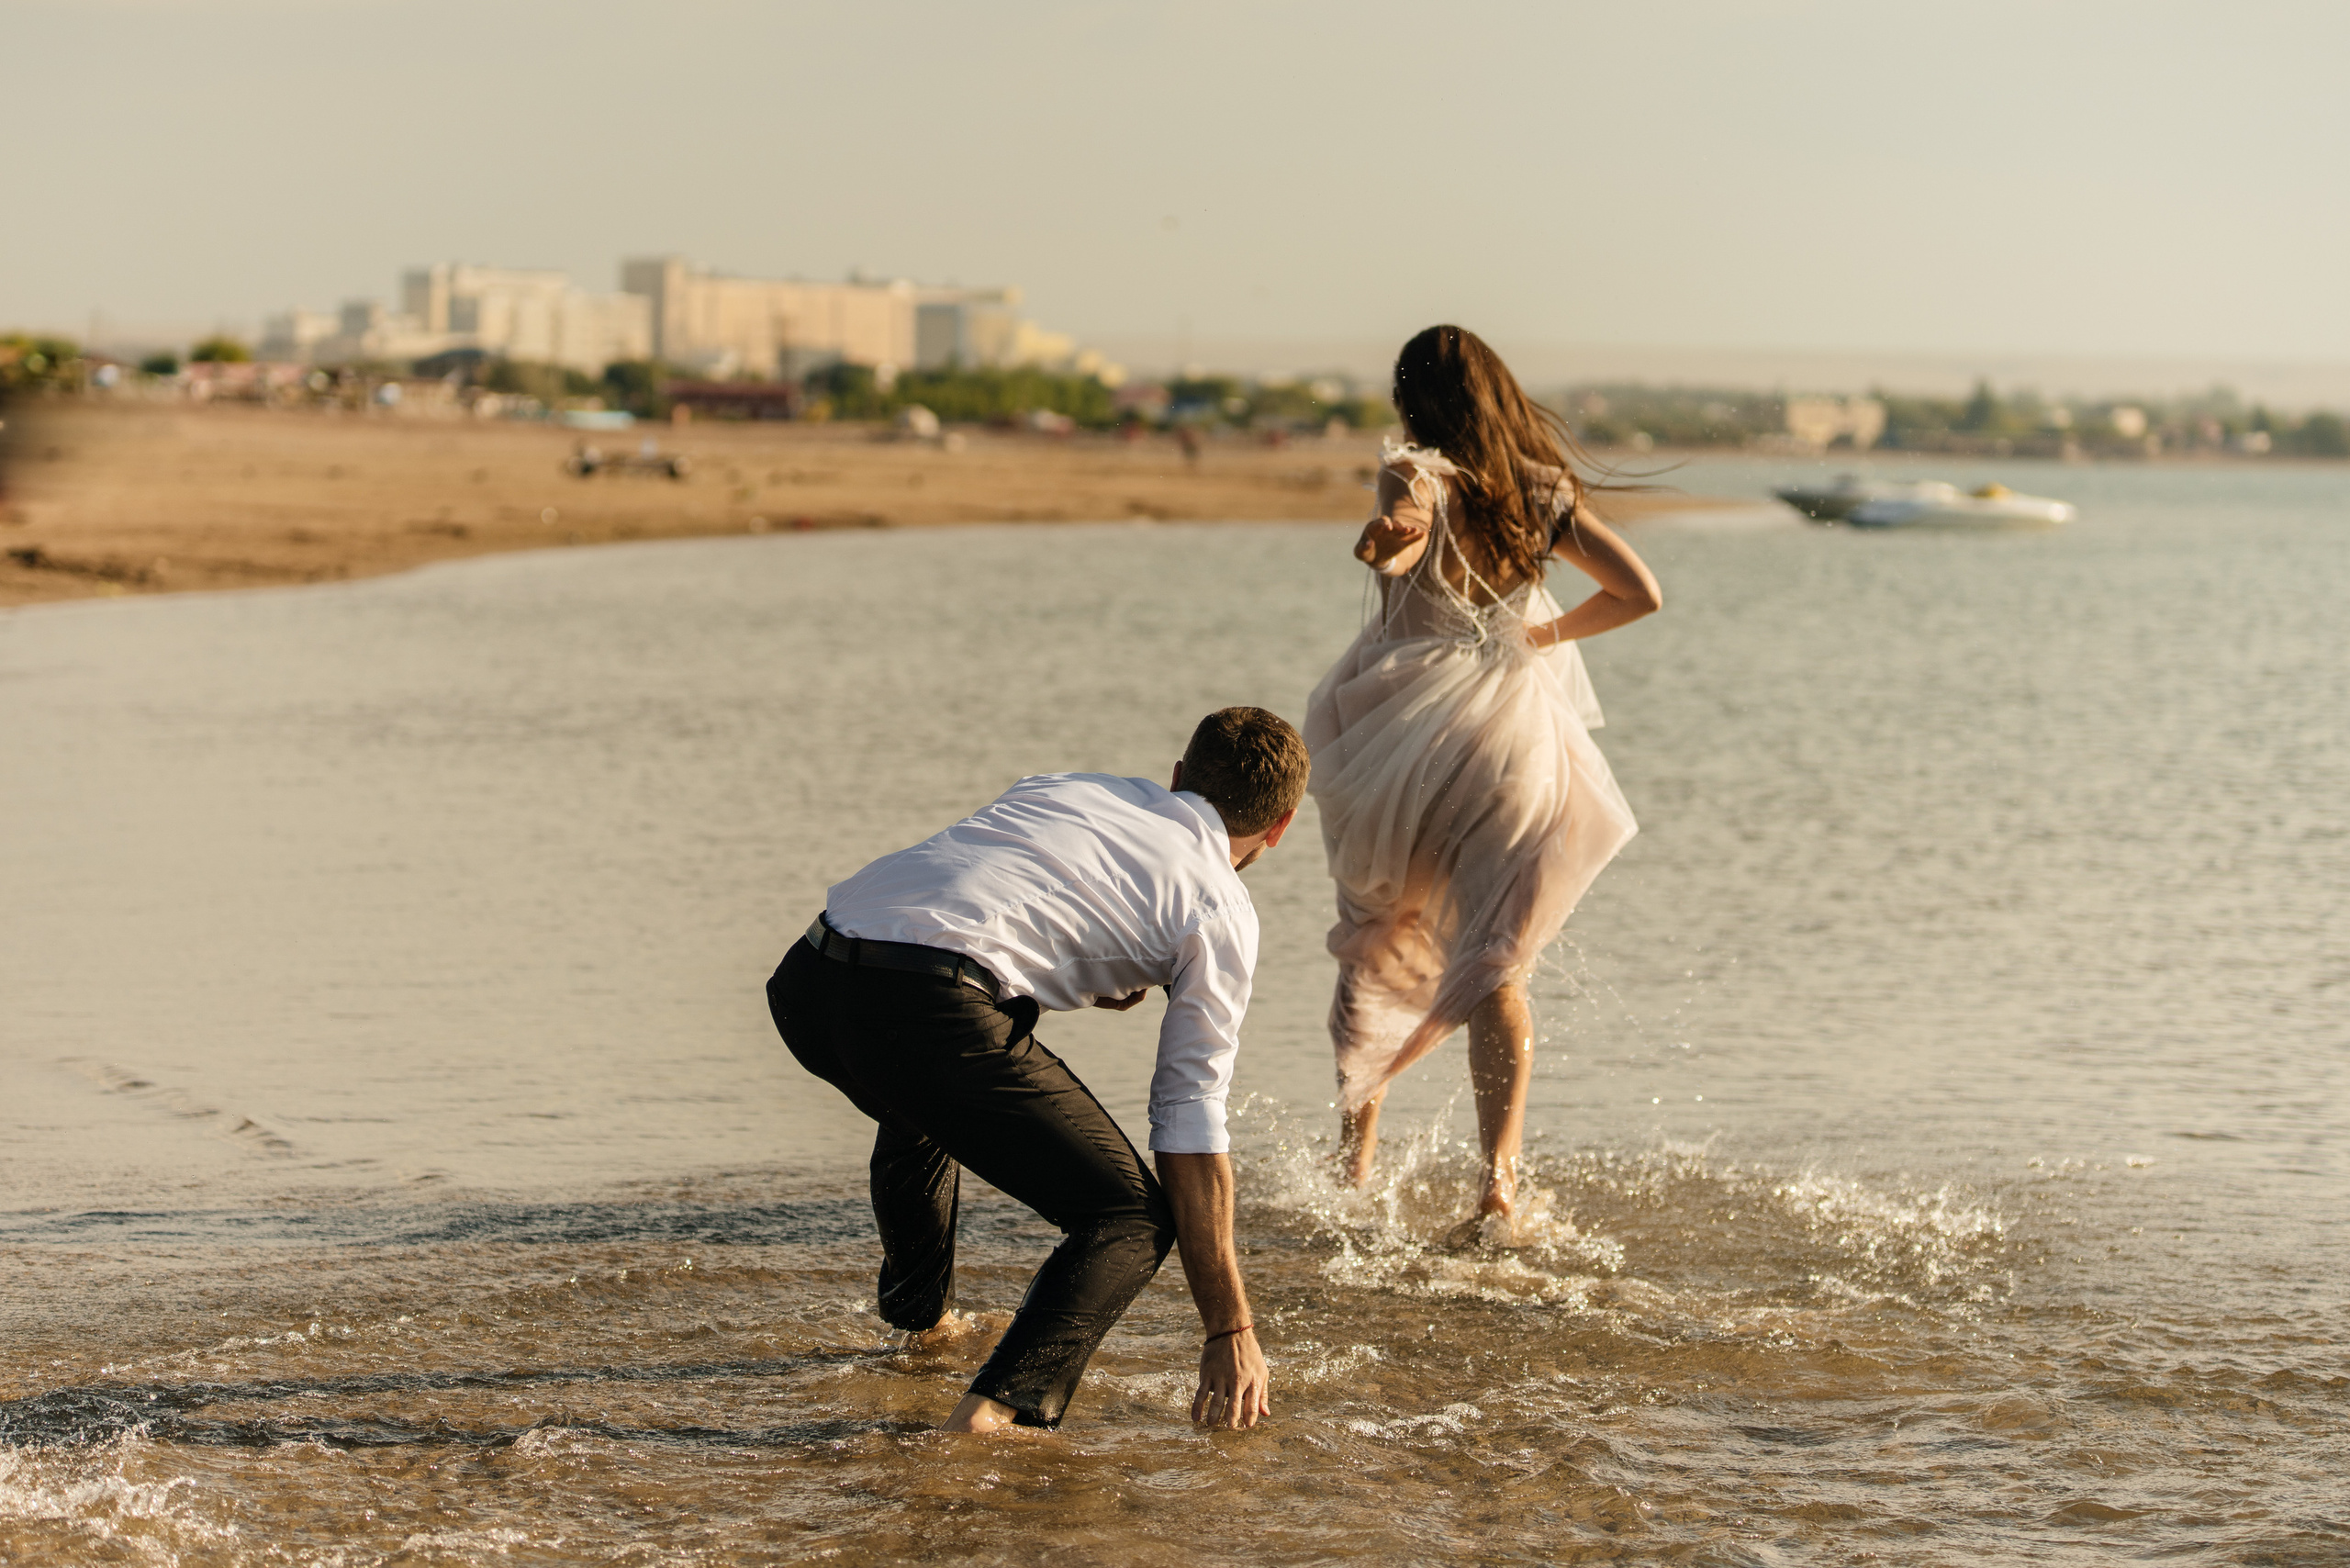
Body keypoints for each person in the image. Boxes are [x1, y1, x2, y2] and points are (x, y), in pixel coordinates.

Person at [767, 707, 1311, 1431]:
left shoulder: (1072, 787)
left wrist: (1078, 966)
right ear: (1281, 826)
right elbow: (1188, 1118)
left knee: (925, 1104)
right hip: (922, 1006)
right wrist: (1229, 1330)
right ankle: (991, 1416)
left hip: (808, 982)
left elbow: (986, 901)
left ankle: (921, 1329)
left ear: (1178, 777)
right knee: (1128, 1216)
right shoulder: (1219, 907)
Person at [1304, 325, 1662, 1240]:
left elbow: (1403, 529)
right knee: (1498, 959)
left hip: (1410, 738)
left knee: (1379, 928)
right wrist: (1534, 638)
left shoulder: (1413, 468)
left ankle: (1351, 1172)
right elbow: (1637, 593)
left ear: (1410, 399)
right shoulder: (1540, 494)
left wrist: (1389, 536)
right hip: (1515, 741)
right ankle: (1498, 1184)